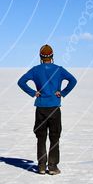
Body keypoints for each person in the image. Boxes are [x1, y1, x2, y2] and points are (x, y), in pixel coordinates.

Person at [17, 44, 77, 175]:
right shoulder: (59, 70)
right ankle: (53, 167)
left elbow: (21, 82)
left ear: (40, 57)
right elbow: (73, 80)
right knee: (54, 137)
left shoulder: (35, 70)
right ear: (52, 56)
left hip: (41, 108)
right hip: (54, 107)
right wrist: (63, 92)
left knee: (41, 137)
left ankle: (42, 166)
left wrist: (33, 92)